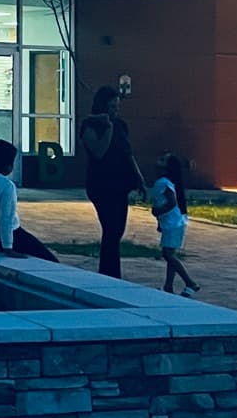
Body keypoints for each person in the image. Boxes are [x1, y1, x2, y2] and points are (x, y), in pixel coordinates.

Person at [80, 85, 144, 277]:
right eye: (111, 107)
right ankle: (110, 272)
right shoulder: (89, 126)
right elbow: (99, 152)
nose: (115, 111)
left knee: (118, 230)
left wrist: (139, 177)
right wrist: (107, 127)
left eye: (117, 107)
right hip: (101, 184)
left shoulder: (121, 125)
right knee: (110, 228)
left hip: (120, 184)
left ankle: (110, 270)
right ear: (101, 106)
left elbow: (128, 153)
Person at [0, 139, 58, 261]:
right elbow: (6, 218)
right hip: (13, 237)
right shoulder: (6, 186)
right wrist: (8, 248)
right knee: (50, 260)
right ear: (8, 165)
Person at [150, 152, 200, 297]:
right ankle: (168, 286)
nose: (158, 160)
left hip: (173, 223)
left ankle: (190, 283)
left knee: (168, 255)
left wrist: (158, 212)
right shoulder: (166, 182)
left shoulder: (164, 183)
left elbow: (171, 203)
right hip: (173, 223)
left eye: (162, 159)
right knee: (170, 254)